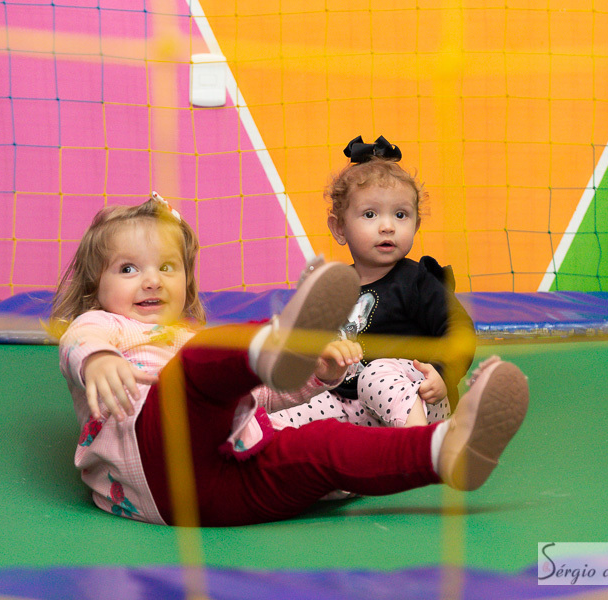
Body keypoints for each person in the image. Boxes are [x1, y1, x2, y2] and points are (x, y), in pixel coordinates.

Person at [51, 193, 528, 527]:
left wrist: (316, 378)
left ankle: (443, 449)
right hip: (150, 460)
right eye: (129, 268)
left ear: (187, 284)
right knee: (202, 361)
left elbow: (264, 397)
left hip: (218, 494)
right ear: (98, 287)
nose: (152, 281)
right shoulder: (106, 327)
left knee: (324, 446)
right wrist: (96, 362)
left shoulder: (191, 333)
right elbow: (78, 341)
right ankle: (280, 339)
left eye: (167, 268)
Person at [272, 135, 478, 431]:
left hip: (420, 398)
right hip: (352, 404)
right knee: (284, 401)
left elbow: (459, 330)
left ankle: (420, 445)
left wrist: (443, 375)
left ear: (416, 224)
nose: (387, 226)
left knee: (376, 374)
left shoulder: (416, 281)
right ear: (339, 227)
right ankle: (262, 445)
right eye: (370, 214)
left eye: (401, 214)